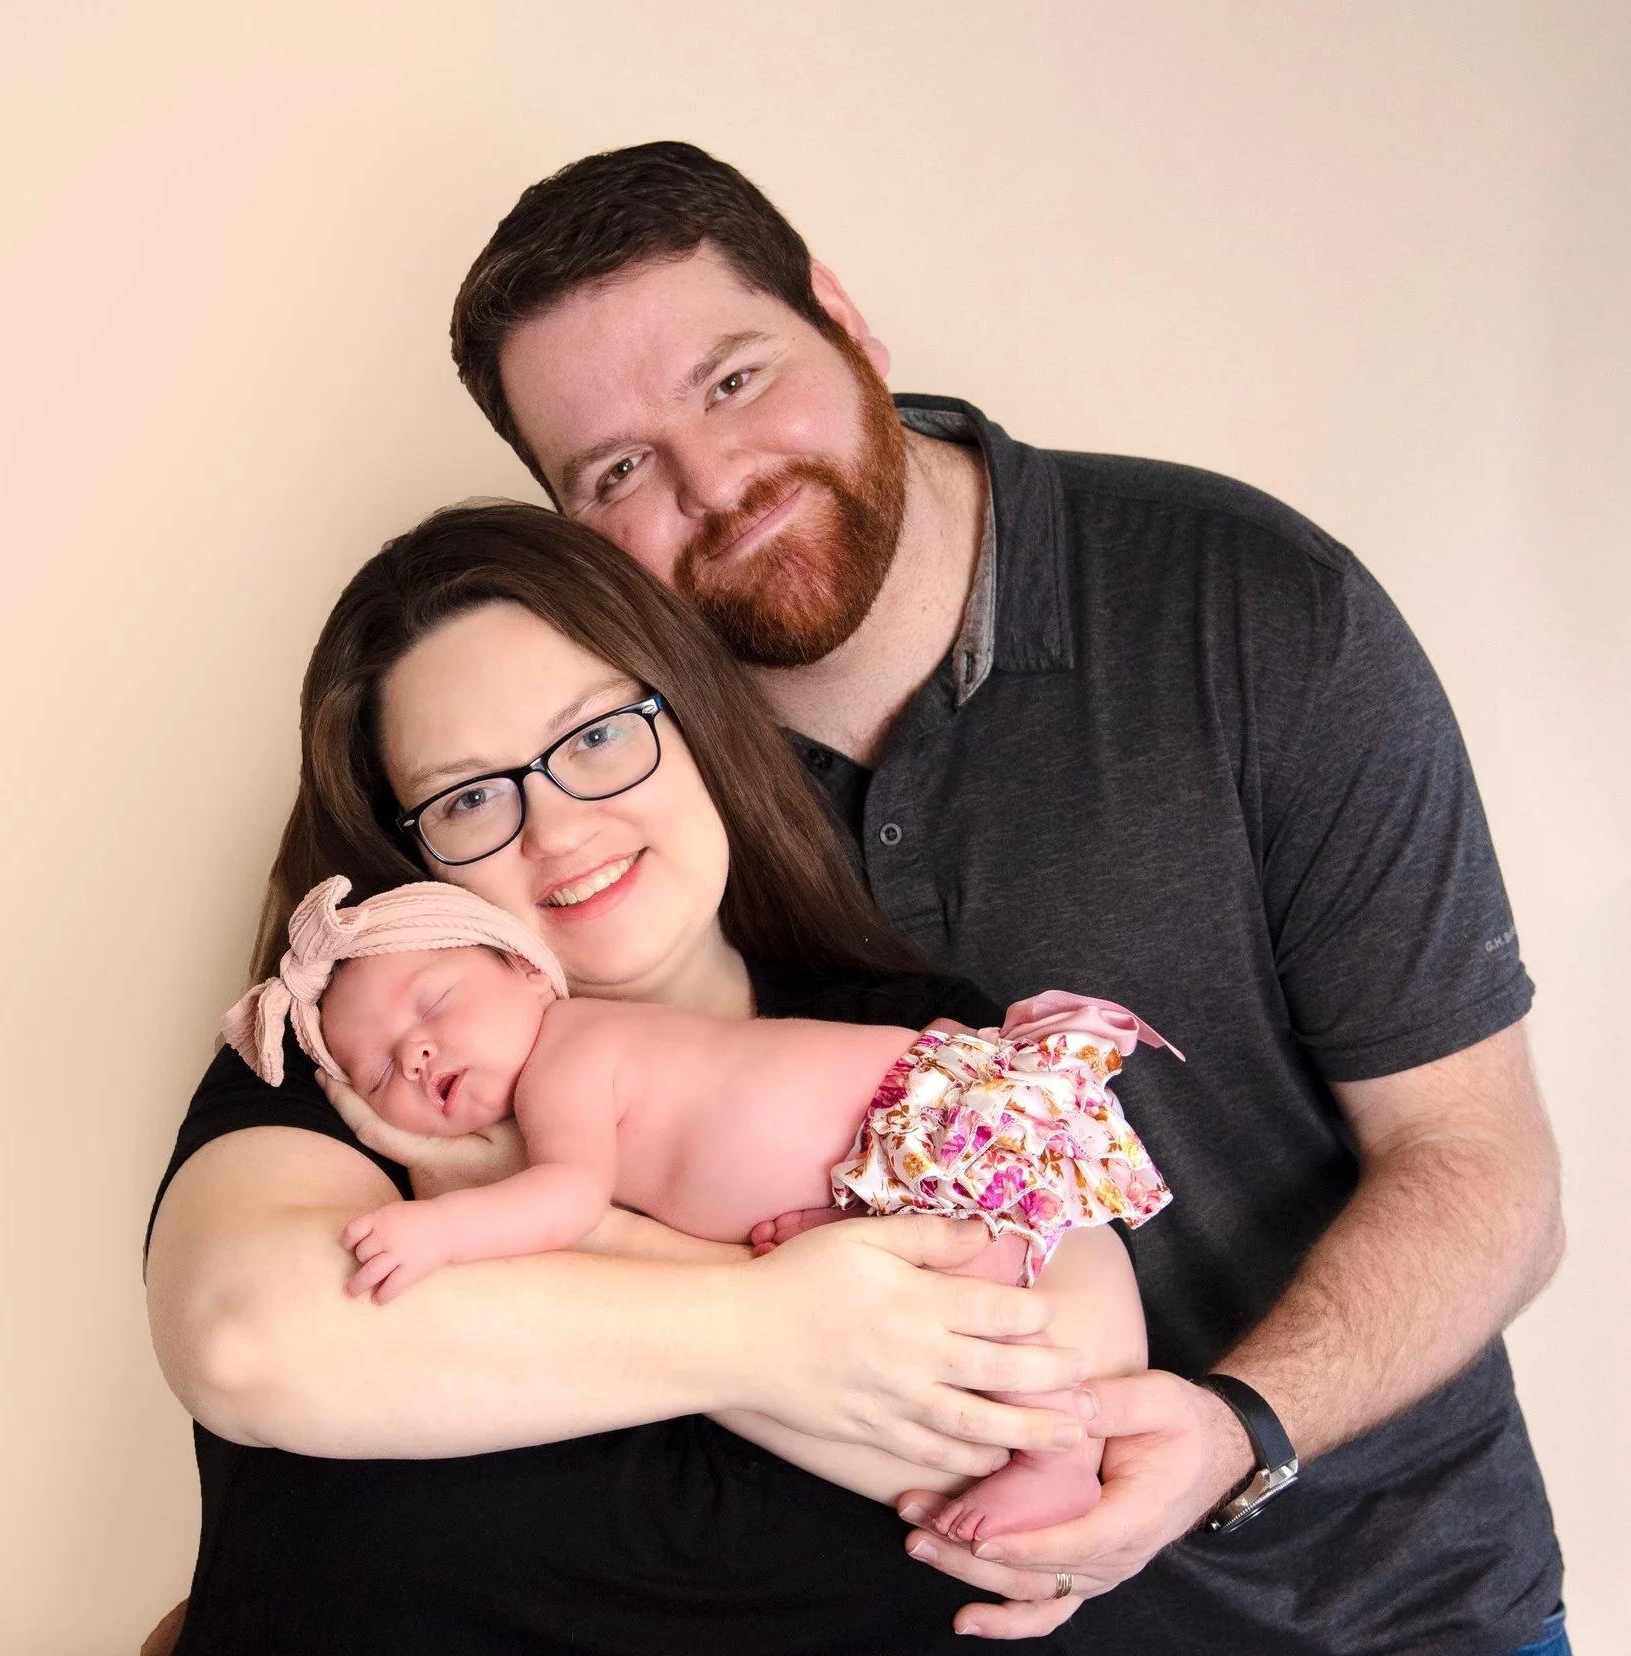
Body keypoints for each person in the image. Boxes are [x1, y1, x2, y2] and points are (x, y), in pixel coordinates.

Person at [443, 140, 1566, 1653]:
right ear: (576, 526)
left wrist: (1240, 1426)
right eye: (619, 469)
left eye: (732, 379)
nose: (718, 486)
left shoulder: (1250, 608)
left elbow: (1483, 1171)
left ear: (844, 321)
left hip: (1388, 1610)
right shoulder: (598, 788)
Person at [146, 502, 1123, 1652]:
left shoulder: (918, 1058)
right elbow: (250, 1341)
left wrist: (580, 1228)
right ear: (413, 869)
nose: (558, 829)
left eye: (598, 735)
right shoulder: (363, 1067)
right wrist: (769, 1328)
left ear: (697, 718)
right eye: (468, 797)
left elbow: (1048, 1426)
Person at [225, 873, 1180, 1542]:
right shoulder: (574, 1054)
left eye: (433, 1004)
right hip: (870, 1162)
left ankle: (1054, 1460)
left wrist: (438, 1225)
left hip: (919, 1126)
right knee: (931, 1287)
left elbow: (562, 1202)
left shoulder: (568, 1052)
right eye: (382, 1067)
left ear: (525, 969)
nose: (420, 1054)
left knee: (981, 1287)